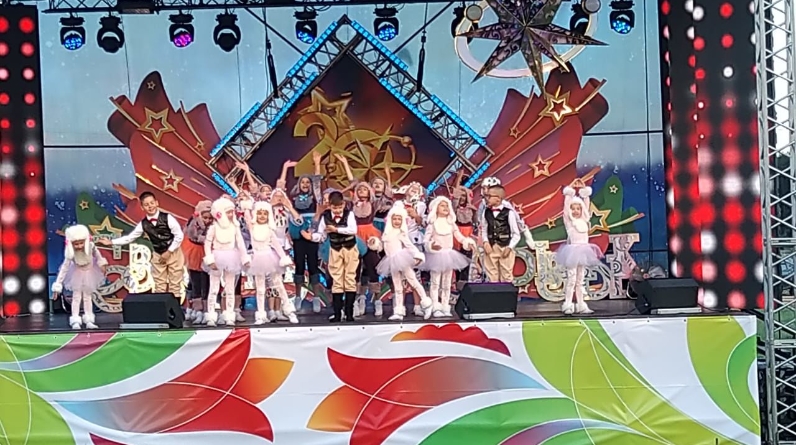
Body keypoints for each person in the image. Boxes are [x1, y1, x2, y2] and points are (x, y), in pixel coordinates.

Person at [98, 191, 185, 297]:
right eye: (146, 204)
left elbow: (179, 235)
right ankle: (161, 306)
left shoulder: (168, 218)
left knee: (175, 284)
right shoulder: (143, 224)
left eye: (152, 203)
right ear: (142, 207)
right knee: (159, 284)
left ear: (157, 203)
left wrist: (169, 251)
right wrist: (111, 242)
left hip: (173, 252)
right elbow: (130, 237)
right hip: (158, 253)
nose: (150, 206)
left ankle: (175, 307)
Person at [302, 191, 359, 322]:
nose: (337, 210)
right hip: (335, 249)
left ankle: (349, 314)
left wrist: (336, 229)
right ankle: (337, 314)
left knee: (350, 278)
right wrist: (311, 237)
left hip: (350, 248)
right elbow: (322, 235)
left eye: (340, 207)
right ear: (330, 206)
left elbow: (353, 230)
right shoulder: (325, 217)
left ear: (343, 204)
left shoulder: (349, 214)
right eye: (334, 208)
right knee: (337, 280)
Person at [242, 199, 296, 324]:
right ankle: (261, 315)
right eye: (259, 213)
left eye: (265, 214)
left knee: (278, 285)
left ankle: (289, 311)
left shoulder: (270, 230)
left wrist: (283, 258)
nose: (262, 216)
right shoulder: (252, 227)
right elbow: (247, 217)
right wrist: (247, 206)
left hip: (269, 258)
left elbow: (276, 246)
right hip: (257, 258)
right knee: (260, 288)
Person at [376, 204, 432, 321]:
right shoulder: (387, 233)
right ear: (390, 219)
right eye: (395, 219)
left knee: (413, 281)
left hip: (401, 259)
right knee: (397, 286)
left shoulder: (401, 233)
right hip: (391, 260)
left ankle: (426, 303)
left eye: (399, 219)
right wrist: (375, 244)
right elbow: (383, 247)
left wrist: (418, 255)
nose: (397, 221)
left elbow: (409, 245)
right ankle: (399, 311)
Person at [422, 196, 476, 317]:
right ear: (436, 208)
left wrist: (467, 242)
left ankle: (445, 306)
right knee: (435, 282)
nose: (445, 207)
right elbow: (426, 240)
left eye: (447, 205)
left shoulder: (451, 224)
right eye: (442, 205)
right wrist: (431, 246)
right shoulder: (433, 224)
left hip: (449, 255)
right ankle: (435, 306)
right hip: (436, 256)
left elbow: (459, 237)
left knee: (447, 283)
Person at [204, 197, 250, 326]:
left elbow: (240, 243)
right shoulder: (214, 227)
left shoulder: (235, 227)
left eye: (231, 212)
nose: (231, 214)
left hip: (231, 257)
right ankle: (211, 315)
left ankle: (229, 315)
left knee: (230, 289)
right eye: (228, 212)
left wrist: (244, 258)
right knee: (214, 288)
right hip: (217, 257)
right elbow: (207, 244)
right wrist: (209, 259)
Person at [52, 224, 107, 330]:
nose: (79, 246)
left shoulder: (91, 246)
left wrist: (102, 264)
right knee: (76, 297)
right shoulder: (70, 253)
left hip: (89, 273)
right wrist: (58, 284)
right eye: (76, 244)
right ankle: (75, 320)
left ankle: (89, 320)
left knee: (87, 297)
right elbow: (64, 268)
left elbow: (98, 255)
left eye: (81, 243)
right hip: (77, 274)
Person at [287, 153, 324, 311]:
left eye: (308, 182)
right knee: (299, 265)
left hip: (312, 230)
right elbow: (289, 214)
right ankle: (297, 297)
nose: (305, 184)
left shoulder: (315, 197)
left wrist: (317, 164)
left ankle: (316, 297)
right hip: (298, 232)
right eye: (303, 182)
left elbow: (317, 183)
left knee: (314, 265)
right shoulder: (294, 197)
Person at [556, 186, 601, 315]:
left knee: (580, 280)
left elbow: (586, 207)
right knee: (571, 279)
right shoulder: (569, 222)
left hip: (584, 251)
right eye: (573, 208)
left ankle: (581, 304)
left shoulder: (584, 220)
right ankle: (568, 304)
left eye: (578, 208)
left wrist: (586, 196)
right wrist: (568, 196)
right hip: (572, 252)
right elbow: (565, 211)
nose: (576, 211)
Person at [480, 185, 522, 283]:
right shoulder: (486, 212)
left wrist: (509, 247)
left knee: (506, 274)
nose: (487, 198)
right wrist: (485, 242)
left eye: (489, 196)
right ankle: (493, 292)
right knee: (491, 274)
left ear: (498, 198)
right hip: (491, 247)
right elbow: (484, 230)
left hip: (505, 246)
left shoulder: (509, 213)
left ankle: (506, 292)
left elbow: (516, 234)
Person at [183, 200, 212, 324]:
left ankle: (206, 310)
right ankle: (196, 309)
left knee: (206, 282)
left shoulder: (213, 226)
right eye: (205, 218)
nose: (207, 220)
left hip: (208, 251)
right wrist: (205, 238)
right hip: (195, 252)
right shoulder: (193, 223)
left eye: (209, 218)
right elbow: (192, 235)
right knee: (195, 282)